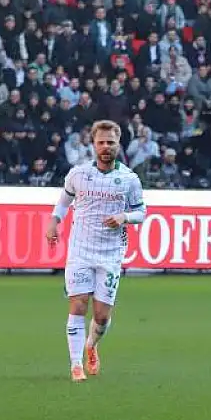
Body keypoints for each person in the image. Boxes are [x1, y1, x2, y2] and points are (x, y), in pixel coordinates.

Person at [45, 120, 146, 381]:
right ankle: (76, 364)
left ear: (118, 144)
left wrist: (124, 217)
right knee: (78, 305)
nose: (105, 147)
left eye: (110, 142)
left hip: (111, 254)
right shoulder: (78, 174)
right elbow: (64, 201)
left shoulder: (129, 179)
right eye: (101, 142)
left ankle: (92, 344)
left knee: (101, 316)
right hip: (80, 250)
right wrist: (54, 221)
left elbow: (141, 212)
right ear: (93, 144)